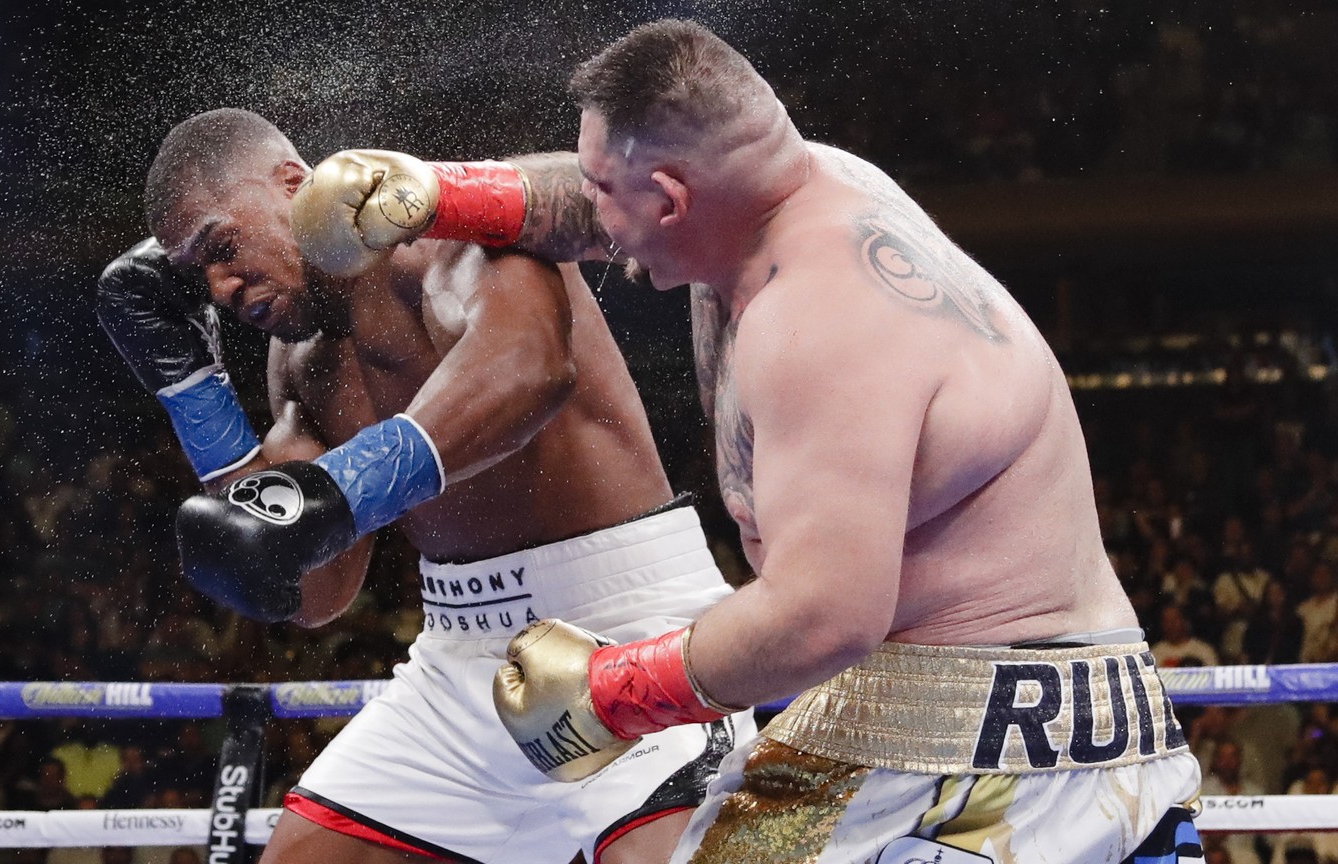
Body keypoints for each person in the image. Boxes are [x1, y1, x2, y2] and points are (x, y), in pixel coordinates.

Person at [306, 19, 1203, 863]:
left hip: (988, 754)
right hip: (990, 714)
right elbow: (582, 204)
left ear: (669, 198)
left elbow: (825, 614)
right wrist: (440, 195)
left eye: (610, 195)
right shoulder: (790, 192)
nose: (600, 231)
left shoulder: (822, 320)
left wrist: (611, 694)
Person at [96, 107, 752, 864]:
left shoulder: (444, 230)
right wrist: (195, 393)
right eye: (196, 276)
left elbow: (530, 368)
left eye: (221, 245)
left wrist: (343, 486)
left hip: (627, 626)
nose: (220, 285)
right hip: (458, 656)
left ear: (290, 183)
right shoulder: (297, 363)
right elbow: (315, 591)